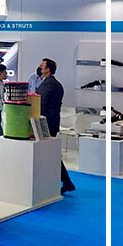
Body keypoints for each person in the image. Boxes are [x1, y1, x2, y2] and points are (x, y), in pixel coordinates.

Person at [36, 58, 76, 194]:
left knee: (49, 153)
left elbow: (41, 105)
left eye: (42, 66)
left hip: (45, 124)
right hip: (52, 123)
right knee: (51, 152)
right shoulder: (56, 84)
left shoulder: (48, 85)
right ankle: (66, 181)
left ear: (48, 69)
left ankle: (65, 181)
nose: (40, 68)